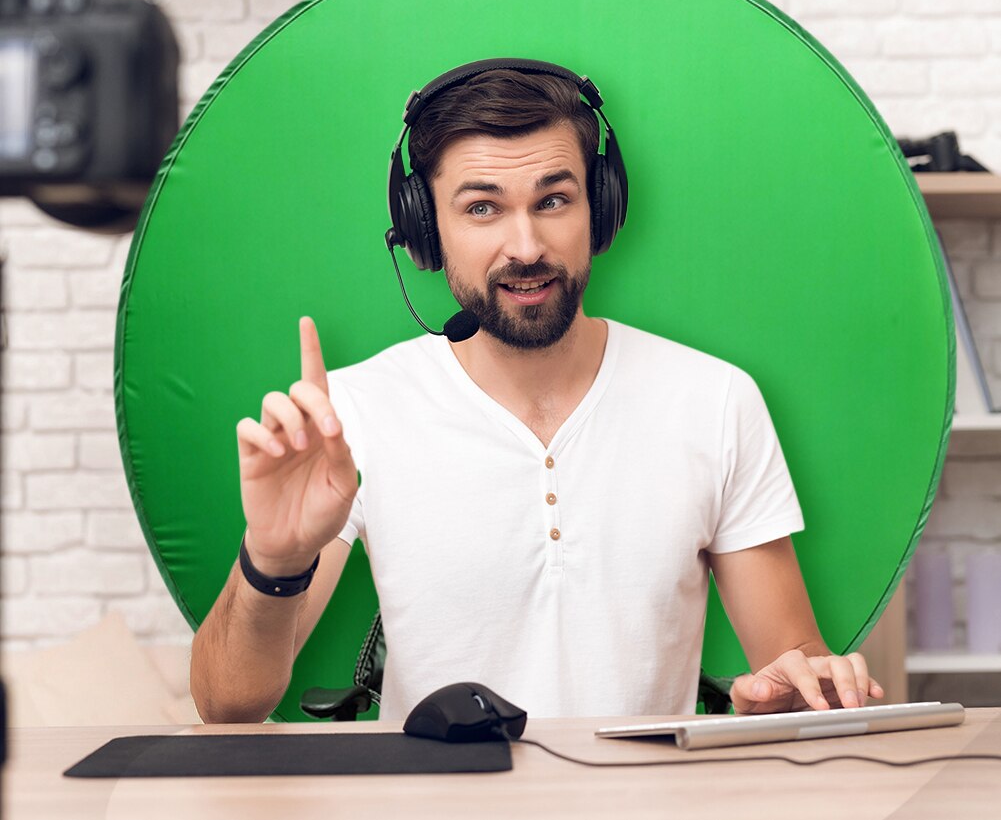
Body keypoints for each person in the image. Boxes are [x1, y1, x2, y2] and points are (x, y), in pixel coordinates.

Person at [190, 62, 883, 724]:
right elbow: (227, 706)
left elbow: (793, 662)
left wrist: (802, 687)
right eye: (481, 207)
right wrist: (273, 559)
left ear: (600, 209)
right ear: (427, 230)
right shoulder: (353, 411)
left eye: (553, 200)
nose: (524, 245)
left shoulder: (714, 399)